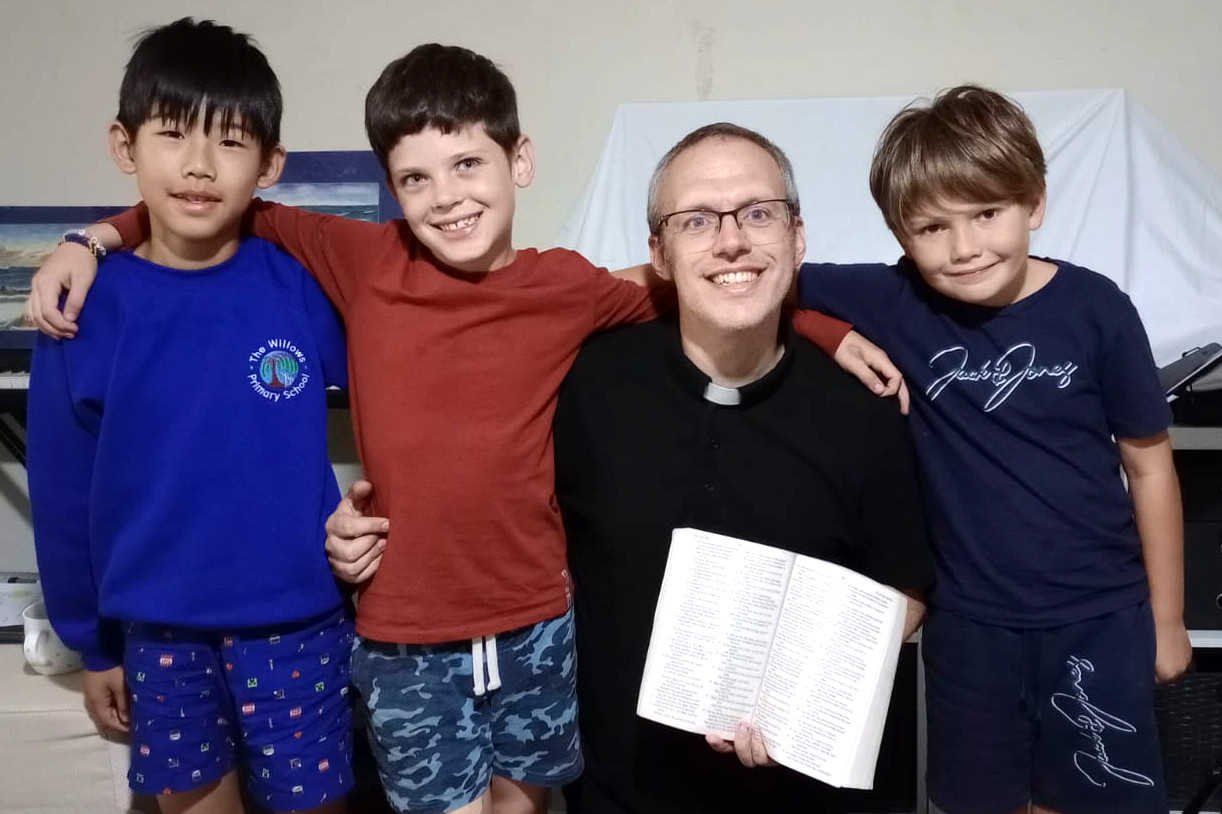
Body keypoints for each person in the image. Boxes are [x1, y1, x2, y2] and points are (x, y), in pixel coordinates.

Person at [22, 44, 906, 814]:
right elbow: (217, 201)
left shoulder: (566, 287)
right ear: (391, 187)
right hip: (405, 629)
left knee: (524, 799)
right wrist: (91, 238)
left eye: (468, 165)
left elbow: (707, 278)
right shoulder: (362, 260)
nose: (446, 198)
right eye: (415, 179)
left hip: (536, 621)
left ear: (519, 160)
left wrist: (819, 328)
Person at [327, 123, 934, 814]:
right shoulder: (585, 384)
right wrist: (364, 528)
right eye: (696, 220)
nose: (731, 240)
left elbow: (905, 588)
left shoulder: (865, 406)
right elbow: (477, 486)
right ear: (658, 254)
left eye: (758, 213)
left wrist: (799, 692)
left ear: (797, 238)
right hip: (618, 789)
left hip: (804, 796)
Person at [797, 85, 1192, 814]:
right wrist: (833, 333)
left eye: (986, 213)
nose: (965, 247)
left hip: (1101, 617)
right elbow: (754, 287)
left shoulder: (1098, 309)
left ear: (1033, 203)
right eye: (932, 227)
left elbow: (1150, 466)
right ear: (899, 234)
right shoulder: (895, 301)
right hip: (969, 628)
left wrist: (1168, 620)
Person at [26, 18, 353, 814]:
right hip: (158, 634)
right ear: (125, 145)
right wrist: (91, 643)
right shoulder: (80, 306)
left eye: (231, 142)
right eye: (172, 134)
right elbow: (62, 493)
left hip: (300, 623)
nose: (199, 164)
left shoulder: (302, 286)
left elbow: (406, 386)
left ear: (270, 165)